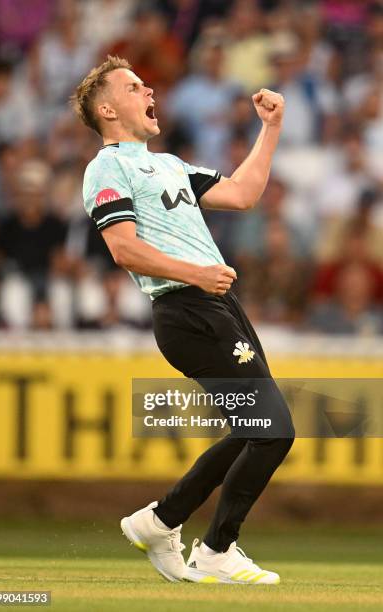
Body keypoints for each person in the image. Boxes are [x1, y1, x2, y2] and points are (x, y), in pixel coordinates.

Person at [71, 56, 294, 585]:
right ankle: (215, 548)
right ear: (108, 109)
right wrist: (197, 274)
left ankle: (160, 520)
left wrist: (271, 128)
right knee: (273, 431)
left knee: (254, 429)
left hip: (215, 303)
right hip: (185, 306)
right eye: (132, 86)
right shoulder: (107, 167)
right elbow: (124, 249)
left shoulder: (169, 164)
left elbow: (242, 194)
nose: (148, 89)